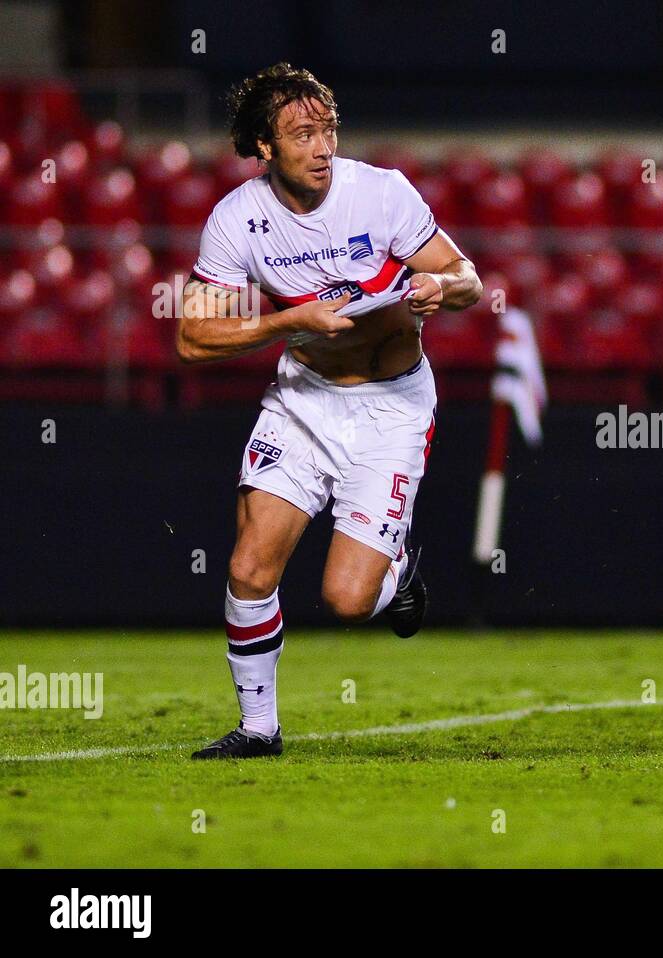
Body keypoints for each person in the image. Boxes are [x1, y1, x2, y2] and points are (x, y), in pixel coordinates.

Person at [178, 63, 482, 759]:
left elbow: (469, 279)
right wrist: (285, 321)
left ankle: (396, 569)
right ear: (263, 146)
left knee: (347, 599)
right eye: (302, 134)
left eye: (329, 131)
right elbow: (193, 337)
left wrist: (439, 284)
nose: (322, 148)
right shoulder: (236, 221)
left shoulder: (380, 194)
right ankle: (259, 730)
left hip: (391, 409)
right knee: (250, 567)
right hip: (304, 403)